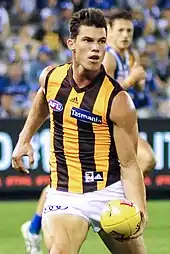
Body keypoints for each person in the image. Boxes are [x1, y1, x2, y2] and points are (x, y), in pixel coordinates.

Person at [12, 8, 147, 254]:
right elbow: (44, 99)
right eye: (88, 40)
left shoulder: (118, 100)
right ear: (71, 44)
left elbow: (129, 164)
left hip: (108, 192)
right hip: (65, 195)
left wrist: (140, 210)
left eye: (101, 41)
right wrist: (24, 138)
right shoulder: (51, 77)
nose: (95, 48)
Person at [103, 10, 156, 176]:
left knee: (147, 161)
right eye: (120, 30)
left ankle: (121, 198)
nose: (125, 35)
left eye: (129, 31)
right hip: (104, 128)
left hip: (124, 125)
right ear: (109, 30)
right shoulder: (107, 58)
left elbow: (138, 91)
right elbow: (104, 95)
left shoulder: (132, 55)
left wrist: (140, 84)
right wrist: (131, 80)